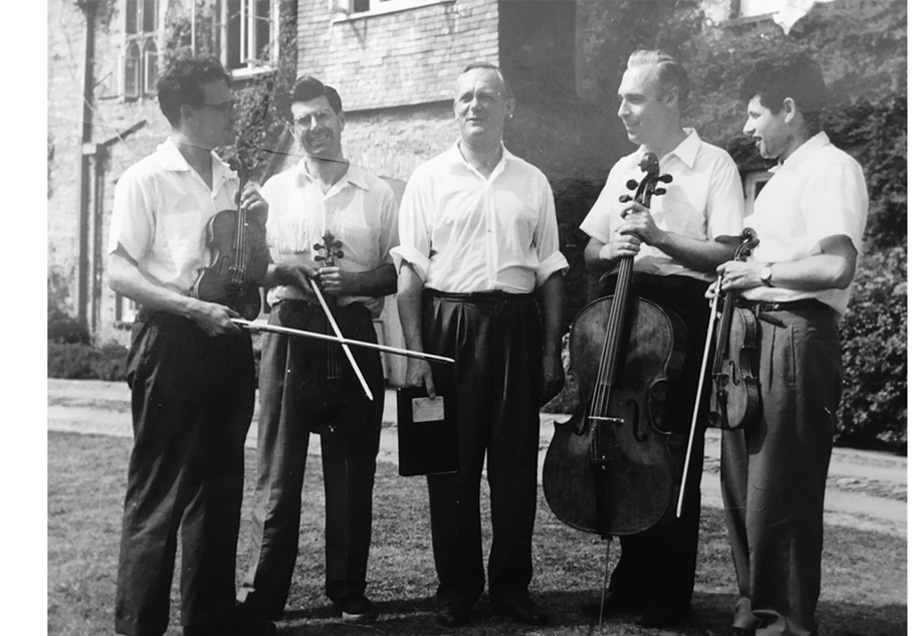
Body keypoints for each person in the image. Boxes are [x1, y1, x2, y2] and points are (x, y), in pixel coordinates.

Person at [392, 62, 568, 628]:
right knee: (451, 468)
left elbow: (551, 272)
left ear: (508, 106)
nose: (475, 105)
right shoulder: (427, 179)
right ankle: (458, 590)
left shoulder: (533, 181)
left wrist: (549, 351)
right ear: (454, 108)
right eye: (465, 97)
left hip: (516, 327)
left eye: (487, 96)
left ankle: (513, 589)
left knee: (515, 468)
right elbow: (410, 276)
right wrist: (416, 353)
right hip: (449, 328)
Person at [107, 56, 274, 636]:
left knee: (219, 487)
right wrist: (190, 308)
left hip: (225, 340)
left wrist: (259, 227)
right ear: (186, 113)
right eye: (221, 107)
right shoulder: (145, 177)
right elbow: (119, 272)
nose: (233, 114)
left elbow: (251, 272)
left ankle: (209, 620)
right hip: (171, 340)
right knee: (158, 495)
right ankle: (139, 628)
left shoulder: (230, 177)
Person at [578, 50, 745, 628]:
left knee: (673, 456)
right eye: (622, 97)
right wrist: (612, 250)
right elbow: (590, 248)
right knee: (627, 447)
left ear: (670, 98)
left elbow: (726, 251)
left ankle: (670, 592)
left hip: (680, 316)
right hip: (627, 308)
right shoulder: (626, 167)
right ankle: (631, 581)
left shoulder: (714, 164)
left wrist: (659, 237)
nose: (621, 108)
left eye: (634, 98)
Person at [236, 77, 399, 624]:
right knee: (278, 472)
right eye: (302, 119)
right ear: (294, 126)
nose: (313, 128)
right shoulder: (274, 191)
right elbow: (256, 270)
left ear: (341, 118)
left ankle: (348, 589)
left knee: (353, 470)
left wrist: (352, 279)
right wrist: (287, 268)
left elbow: (393, 273)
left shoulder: (377, 191)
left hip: (352, 331)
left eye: (322, 116)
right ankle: (264, 594)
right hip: (292, 331)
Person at [716, 55, 868, 636]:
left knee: (780, 490)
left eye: (755, 113)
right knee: (744, 485)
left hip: (796, 340)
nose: (748, 126)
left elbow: (836, 264)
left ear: (789, 109)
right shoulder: (785, 179)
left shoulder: (832, 168)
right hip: (757, 338)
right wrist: (738, 280)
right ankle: (755, 606)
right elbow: (768, 265)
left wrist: (763, 274)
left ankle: (786, 621)